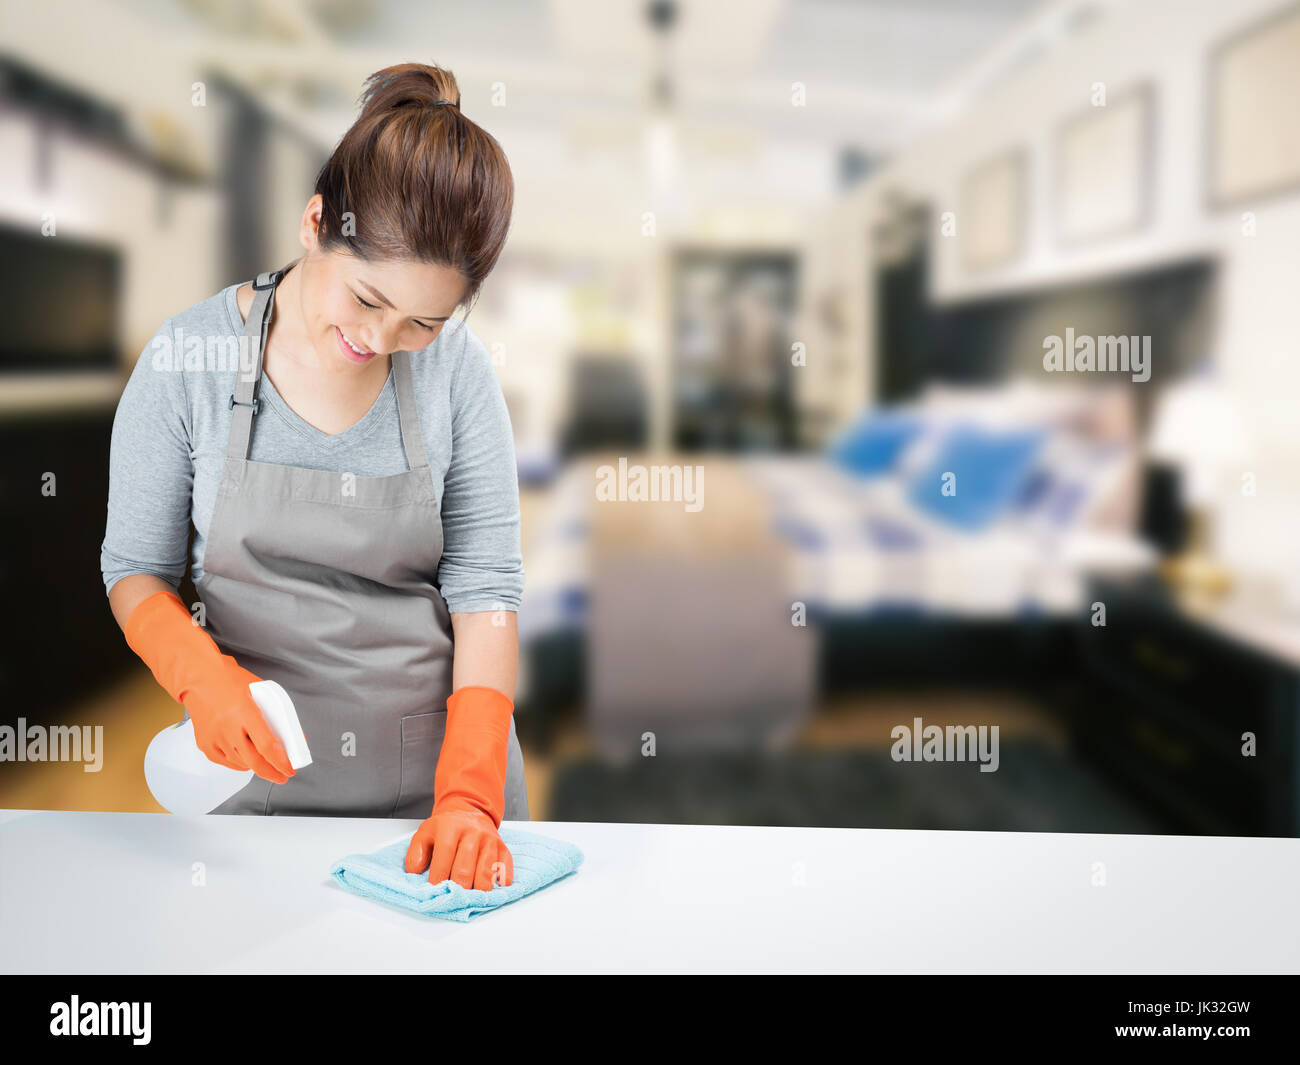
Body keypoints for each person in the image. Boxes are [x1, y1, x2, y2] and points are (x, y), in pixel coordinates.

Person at [100, 63, 527, 892]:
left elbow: (487, 593)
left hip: (434, 816)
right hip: (252, 798)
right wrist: (201, 673)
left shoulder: (459, 376)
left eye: (424, 322)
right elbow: (134, 571)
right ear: (313, 222)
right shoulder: (187, 359)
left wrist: (470, 796)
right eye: (367, 298)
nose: (382, 336)